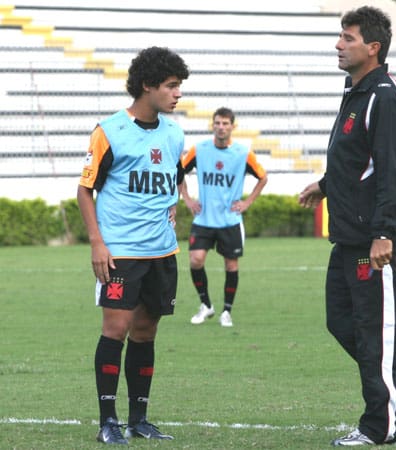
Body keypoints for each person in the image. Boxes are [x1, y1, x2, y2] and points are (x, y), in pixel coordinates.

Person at [299, 8, 396, 446]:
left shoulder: (384, 95)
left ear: (373, 47)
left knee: (378, 331)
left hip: (374, 240)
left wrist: (384, 232)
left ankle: (378, 426)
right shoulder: (358, 91)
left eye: (346, 37)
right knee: (342, 321)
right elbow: (357, 158)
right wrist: (327, 185)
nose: (338, 44)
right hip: (348, 236)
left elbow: (390, 170)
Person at [77, 46, 189, 444]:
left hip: (162, 251)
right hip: (120, 251)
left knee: (145, 332)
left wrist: (173, 204)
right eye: (172, 86)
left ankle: (138, 419)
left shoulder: (175, 133)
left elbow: (173, 176)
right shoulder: (109, 131)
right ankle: (108, 421)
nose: (178, 94)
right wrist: (96, 243)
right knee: (117, 329)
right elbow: (85, 191)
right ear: (147, 85)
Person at [180, 107, 268, 328]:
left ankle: (226, 311)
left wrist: (247, 202)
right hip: (204, 220)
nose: (221, 127)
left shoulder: (243, 153)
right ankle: (206, 305)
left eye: (225, 123)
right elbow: (178, 172)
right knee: (195, 259)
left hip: (230, 221)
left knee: (231, 265)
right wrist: (188, 199)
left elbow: (263, 177)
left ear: (232, 126)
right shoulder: (199, 150)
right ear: (213, 125)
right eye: (217, 123)